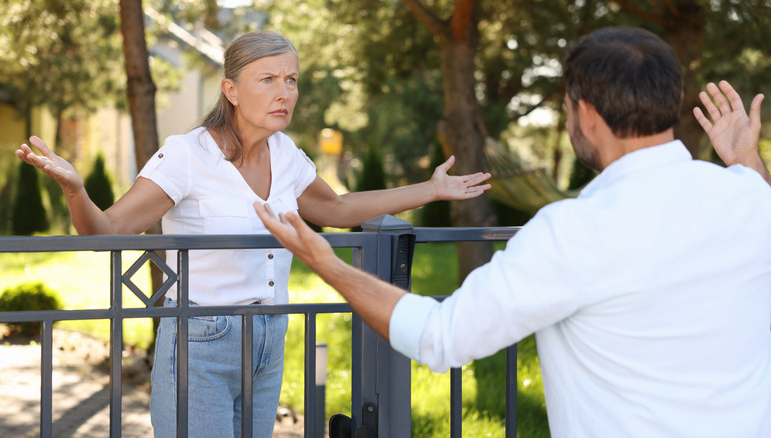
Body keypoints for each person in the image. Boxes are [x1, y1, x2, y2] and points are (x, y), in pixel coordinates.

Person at [255, 27, 771, 437]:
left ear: (584, 114)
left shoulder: (575, 232)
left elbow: (440, 337)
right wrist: (748, 164)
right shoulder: (750, 197)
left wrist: (328, 264)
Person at [14, 31, 492, 437]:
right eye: (268, 80)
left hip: (271, 335)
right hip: (202, 338)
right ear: (232, 90)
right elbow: (110, 229)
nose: (284, 92)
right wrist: (76, 191)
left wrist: (430, 190)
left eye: (291, 80)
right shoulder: (187, 154)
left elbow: (339, 209)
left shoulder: (287, 155)